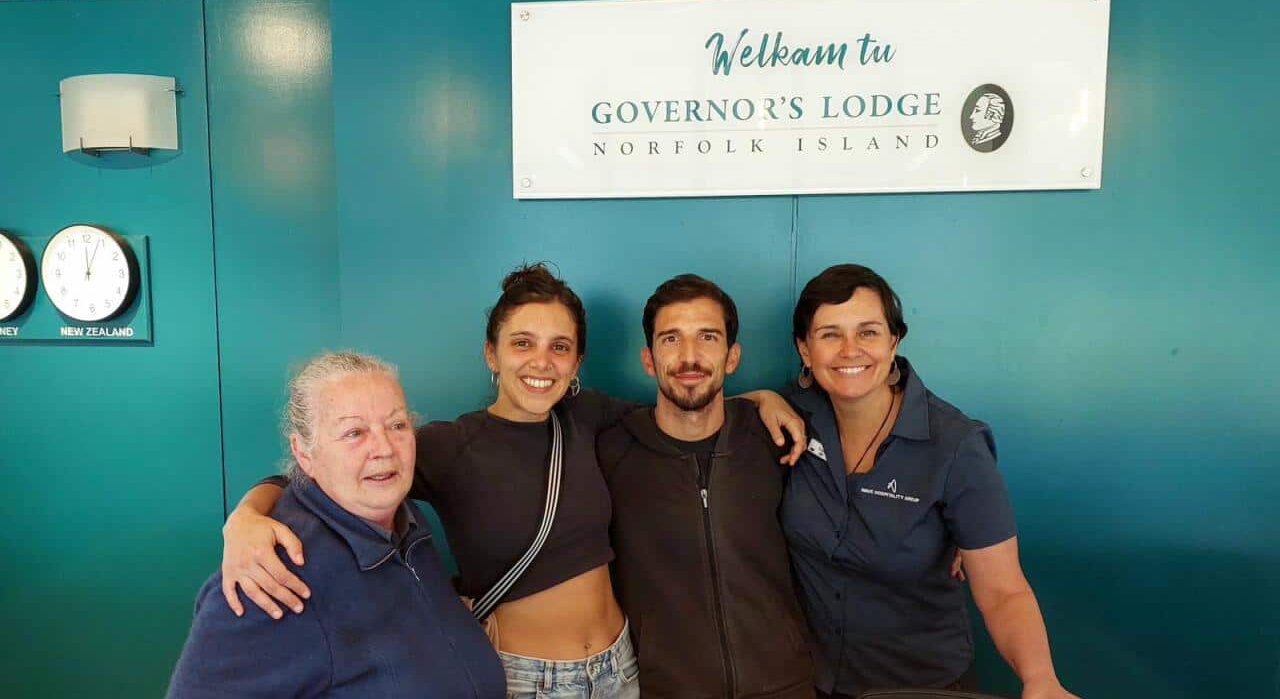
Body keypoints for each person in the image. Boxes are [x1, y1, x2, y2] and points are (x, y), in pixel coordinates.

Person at [218, 264, 806, 699]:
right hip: (526, 680)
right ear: (491, 354)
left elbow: (687, 401)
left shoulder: (590, 416)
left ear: (577, 364)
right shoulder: (451, 445)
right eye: (522, 344)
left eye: (560, 347)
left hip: (623, 670)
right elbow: (331, 474)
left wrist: (761, 398)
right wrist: (247, 516)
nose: (541, 362)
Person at [781, 264, 1079, 699]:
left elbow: (1002, 591)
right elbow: (707, 411)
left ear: (894, 341)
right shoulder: (790, 419)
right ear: (805, 350)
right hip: (812, 682)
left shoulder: (955, 445)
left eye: (867, 332)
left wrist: (1040, 679)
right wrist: (763, 399)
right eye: (830, 334)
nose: (850, 350)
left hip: (922, 686)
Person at [166, 351, 506, 698]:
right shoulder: (271, 578)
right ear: (304, 454)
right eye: (354, 432)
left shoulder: (404, 522)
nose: (384, 448)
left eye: (397, 425)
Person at [598, 275, 814, 698]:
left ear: (732, 356)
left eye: (708, 337)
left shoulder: (777, 438)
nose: (690, 357)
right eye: (671, 339)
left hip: (785, 685)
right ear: (648, 358)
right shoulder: (611, 451)